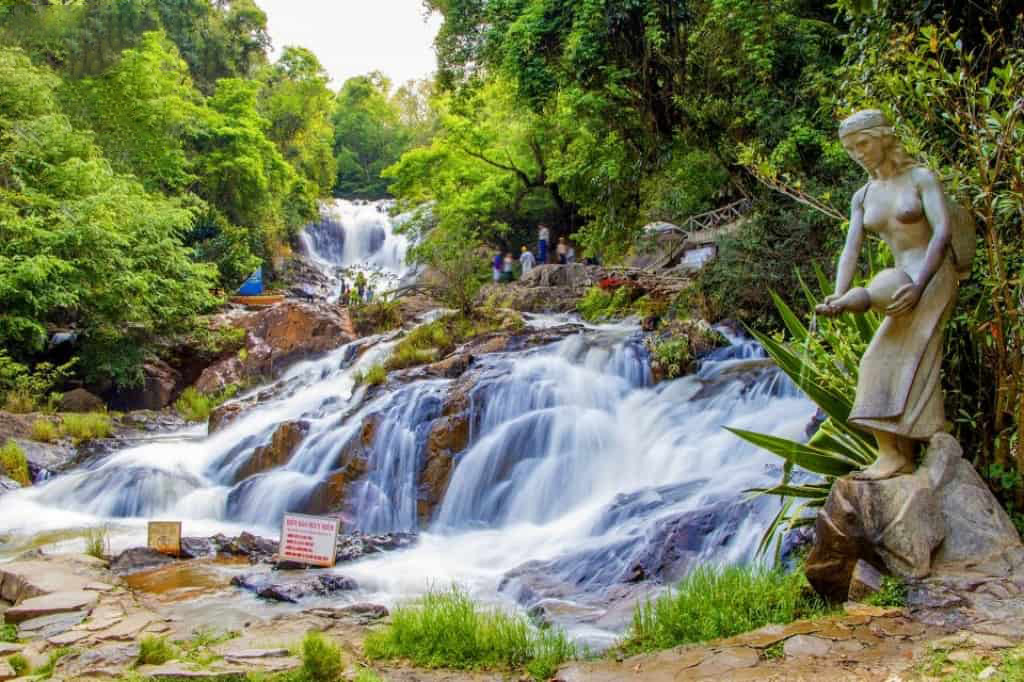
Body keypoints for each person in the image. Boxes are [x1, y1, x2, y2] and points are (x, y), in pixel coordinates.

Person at [815, 109, 970, 480]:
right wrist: (837, 295)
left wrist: (919, 287)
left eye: (863, 143)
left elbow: (942, 233)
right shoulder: (863, 196)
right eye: (851, 149)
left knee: (912, 353)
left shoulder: (920, 179)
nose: (859, 153)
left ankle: (915, 447)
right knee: (875, 360)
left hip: (931, 276)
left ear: (884, 137)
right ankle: (896, 452)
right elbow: (850, 250)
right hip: (901, 278)